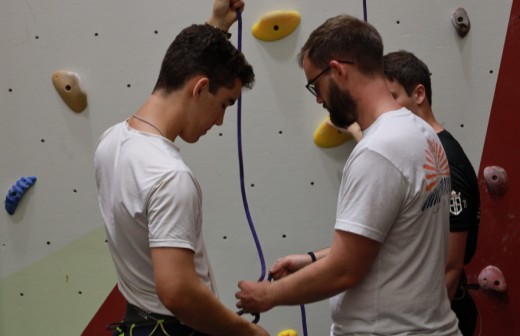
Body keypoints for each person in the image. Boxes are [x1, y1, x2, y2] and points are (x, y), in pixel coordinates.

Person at [235, 15, 461, 336]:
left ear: (339, 71)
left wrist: (267, 295)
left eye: (316, 84)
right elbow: (392, 238)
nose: (318, 98)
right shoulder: (421, 133)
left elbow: (343, 271)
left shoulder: (378, 151)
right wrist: (311, 260)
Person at [94, 1, 268, 335]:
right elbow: (178, 293)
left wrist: (217, 25)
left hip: (137, 322)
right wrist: (246, 332)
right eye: (223, 105)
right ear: (201, 88)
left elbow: (184, 66)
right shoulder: (170, 177)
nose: (219, 121)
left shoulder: (112, 141)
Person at [329, 51, 481, 336]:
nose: (385, 108)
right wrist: (354, 128)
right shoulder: (422, 145)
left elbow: (449, 264)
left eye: (393, 96)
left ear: (419, 94)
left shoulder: (444, 157)